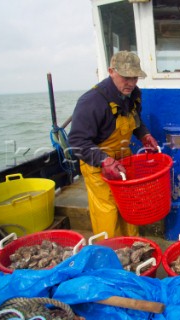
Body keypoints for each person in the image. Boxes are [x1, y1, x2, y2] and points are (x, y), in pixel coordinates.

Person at [69, 51, 159, 238]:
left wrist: (144, 134)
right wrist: (105, 161)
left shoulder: (134, 94)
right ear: (111, 71)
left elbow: (136, 120)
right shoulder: (91, 102)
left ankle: (133, 246)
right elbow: (77, 142)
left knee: (129, 205)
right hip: (97, 164)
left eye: (134, 77)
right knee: (107, 211)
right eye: (126, 77)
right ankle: (109, 254)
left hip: (124, 160)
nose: (131, 83)